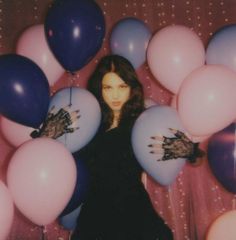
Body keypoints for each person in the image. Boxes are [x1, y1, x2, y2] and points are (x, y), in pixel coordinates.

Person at [32, 54, 203, 239]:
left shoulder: (142, 121)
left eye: (122, 86)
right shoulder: (89, 123)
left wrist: (190, 151)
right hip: (95, 215)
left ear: (131, 88)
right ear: (100, 88)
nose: (114, 95)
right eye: (108, 87)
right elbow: (55, 161)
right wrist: (46, 136)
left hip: (133, 215)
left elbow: (198, 157)